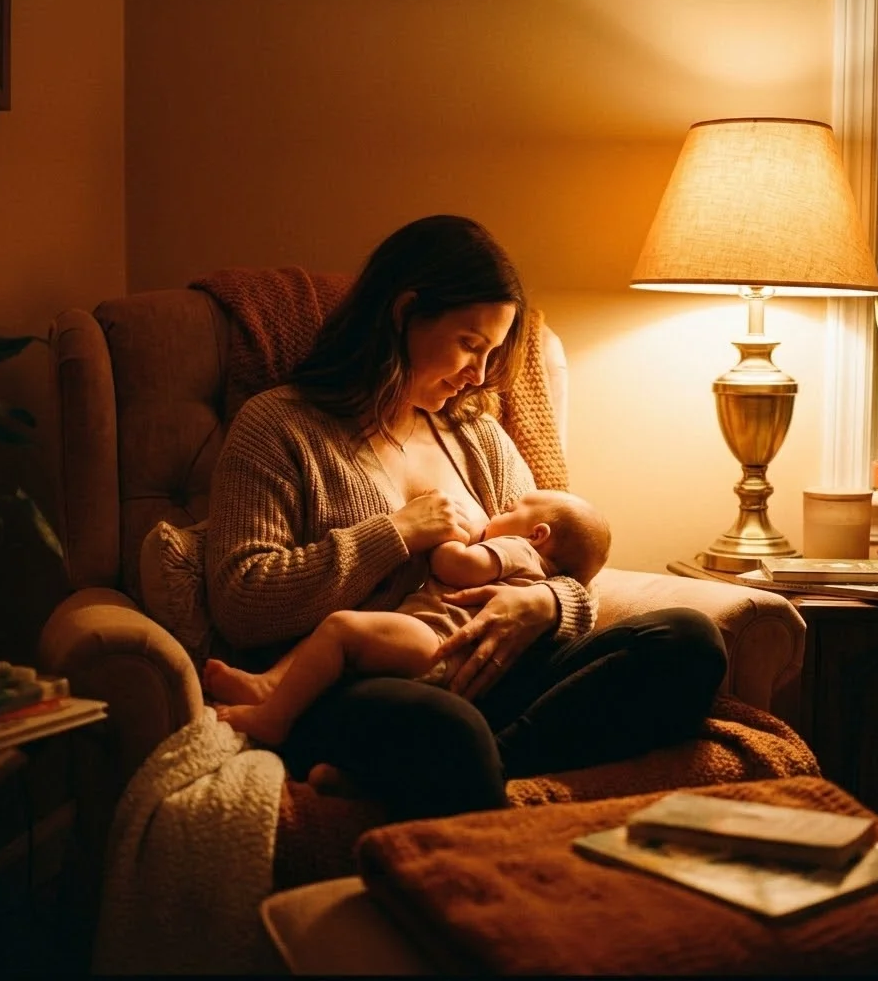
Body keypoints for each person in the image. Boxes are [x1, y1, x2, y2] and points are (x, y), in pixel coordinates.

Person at [204, 213, 727, 820]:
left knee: (688, 641)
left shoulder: (475, 435)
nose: (479, 375)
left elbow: (560, 558)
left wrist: (546, 603)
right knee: (445, 726)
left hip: (495, 676)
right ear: (404, 313)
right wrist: (396, 533)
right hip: (357, 687)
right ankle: (474, 776)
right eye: (470, 344)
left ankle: (473, 769)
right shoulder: (279, 426)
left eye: (492, 353)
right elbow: (242, 604)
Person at [204, 489, 612, 746]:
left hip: (435, 641)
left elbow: (458, 567)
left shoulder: (516, 548)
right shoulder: (530, 562)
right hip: (446, 658)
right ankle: (273, 689)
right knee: (344, 630)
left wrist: (450, 536)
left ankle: (273, 717)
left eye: (509, 508)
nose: (497, 511)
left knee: (341, 628)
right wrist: (399, 528)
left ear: (537, 534)